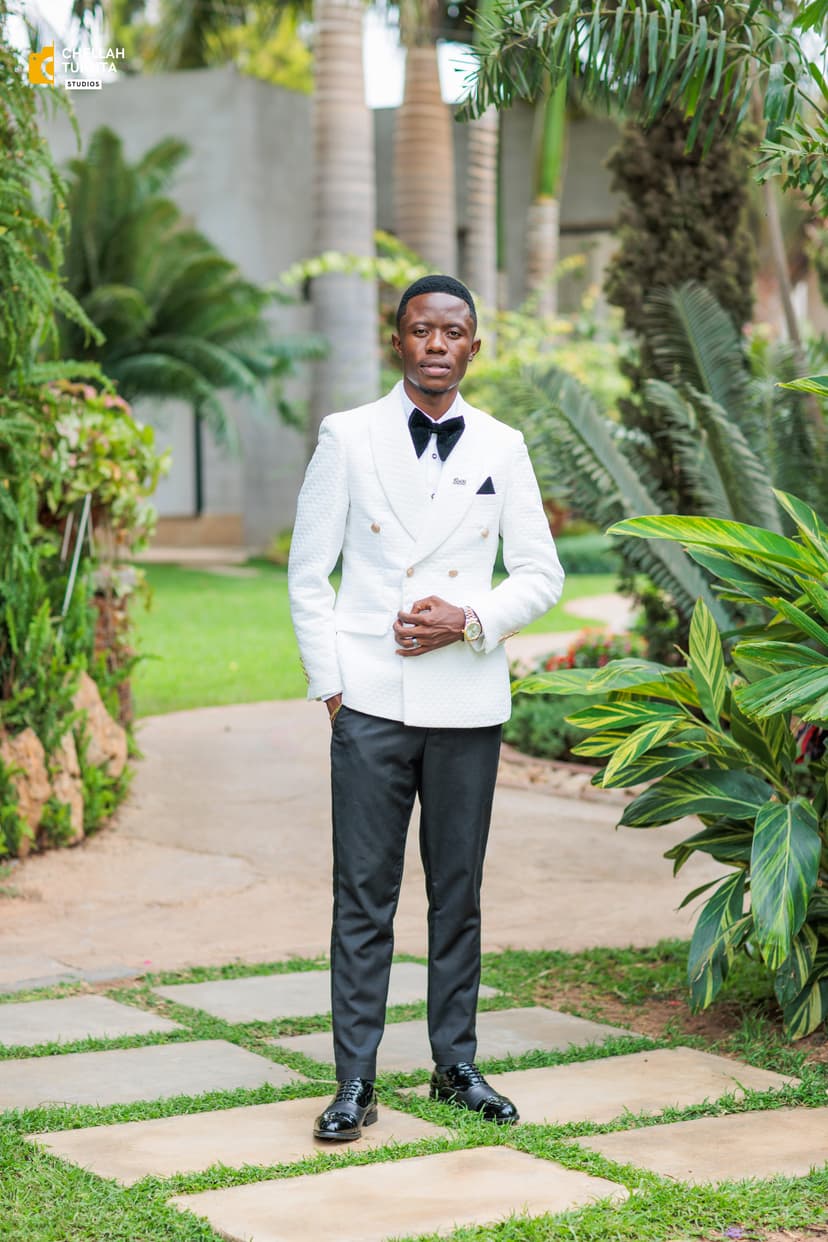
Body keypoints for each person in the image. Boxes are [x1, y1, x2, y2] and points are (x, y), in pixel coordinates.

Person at [288, 274, 564, 1141]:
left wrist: (471, 619)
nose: (436, 344)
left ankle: (456, 1065)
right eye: (421, 330)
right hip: (368, 701)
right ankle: (354, 1082)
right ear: (396, 340)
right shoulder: (348, 436)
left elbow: (542, 574)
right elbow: (308, 574)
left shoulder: (504, 445)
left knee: (458, 892)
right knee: (363, 895)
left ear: (474, 346)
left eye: (453, 332)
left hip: (466, 702)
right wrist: (332, 689)